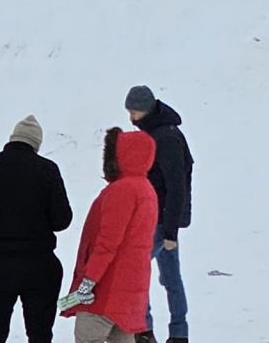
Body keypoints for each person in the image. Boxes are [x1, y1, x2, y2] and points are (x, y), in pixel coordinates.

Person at [0, 115, 74, 343]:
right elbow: (62, 221)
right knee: (40, 334)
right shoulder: (47, 169)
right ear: (36, 144)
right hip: (40, 266)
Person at [58, 128, 161, 343]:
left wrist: (87, 283)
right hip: (131, 291)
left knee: (88, 337)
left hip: (105, 290)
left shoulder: (122, 190)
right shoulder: (147, 190)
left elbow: (107, 244)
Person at [125, 86, 194, 343]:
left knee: (137, 272)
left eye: (133, 111)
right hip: (163, 218)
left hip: (160, 220)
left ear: (145, 110)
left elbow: (176, 186)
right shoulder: (159, 133)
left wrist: (169, 232)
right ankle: (178, 332)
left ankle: (145, 330)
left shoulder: (165, 138)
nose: (130, 117)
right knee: (170, 277)